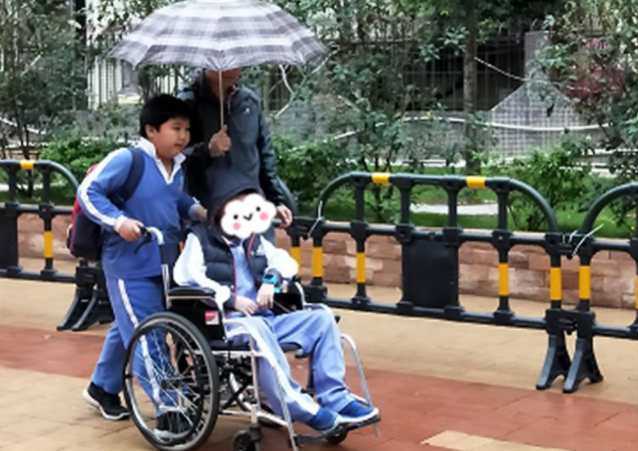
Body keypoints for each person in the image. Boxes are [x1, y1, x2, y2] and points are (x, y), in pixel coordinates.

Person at [173, 170, 379, 434]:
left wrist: (271, 280)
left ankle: (336, 398)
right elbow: (187, 275)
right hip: (228, 324)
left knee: (322, 317)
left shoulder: (252, 237)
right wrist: (232, 299)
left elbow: (284, 262)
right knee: (257, 328)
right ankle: (300, 408)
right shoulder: (199, 238)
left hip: (265, 320)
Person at [78, 94, 206, 421]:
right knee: (149, 334)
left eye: (187, 129)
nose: (183, 136)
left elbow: (174, 200)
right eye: (175, 128)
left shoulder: (175, 166)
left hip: (165, 263)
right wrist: (118, 221)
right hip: (129, 265)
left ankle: (102, 387)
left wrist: (196, 210)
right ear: (151, 130)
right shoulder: (128, 159)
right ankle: (169, 407)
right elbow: (88, 191)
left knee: (131, 324)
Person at [178, 68, 293, 230]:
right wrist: (207, 151)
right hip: (208, 212)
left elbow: (264, 153)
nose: (230, 69)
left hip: (251, 206)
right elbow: (175, 157)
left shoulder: (249, 101)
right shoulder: (187, 103)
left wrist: (276, 201)